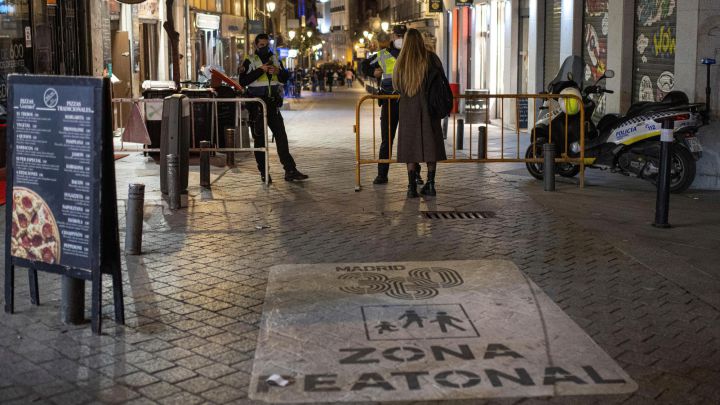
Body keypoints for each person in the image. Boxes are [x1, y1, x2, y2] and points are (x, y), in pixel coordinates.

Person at [238, 33, 309, 183]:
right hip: (257, 107)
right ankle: (264, 173)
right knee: (259, 141)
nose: (264, 48)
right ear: (256, 45)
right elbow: (242, 81)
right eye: (261, 45)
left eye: (266, 45)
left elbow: (285, 77)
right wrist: (260, 70)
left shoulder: (275, 59)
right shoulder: (250, 60)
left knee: (281, 137)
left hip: (272, 105)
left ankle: (290, 170)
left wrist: (278, 72)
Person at [364, 25, 422, 185]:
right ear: (393, 37)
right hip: (391, 102)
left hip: (407, 102)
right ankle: (383, 174)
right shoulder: (385, 54)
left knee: (407, 139)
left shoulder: (414, 55)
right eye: (398, 35)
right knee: (388, 140)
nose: (399, 38)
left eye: (402, 35)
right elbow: (365, 65)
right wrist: (372, 72)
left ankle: (414, 174)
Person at [393, 28, 447, 198]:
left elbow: (397, 85)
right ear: (421, 41)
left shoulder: (401, 62)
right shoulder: (431, 58)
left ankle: (411, 187)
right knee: (432, 144)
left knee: (410, 146)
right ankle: (430, 185)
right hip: (429, 107)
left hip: (408, 108)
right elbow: (441, 79)